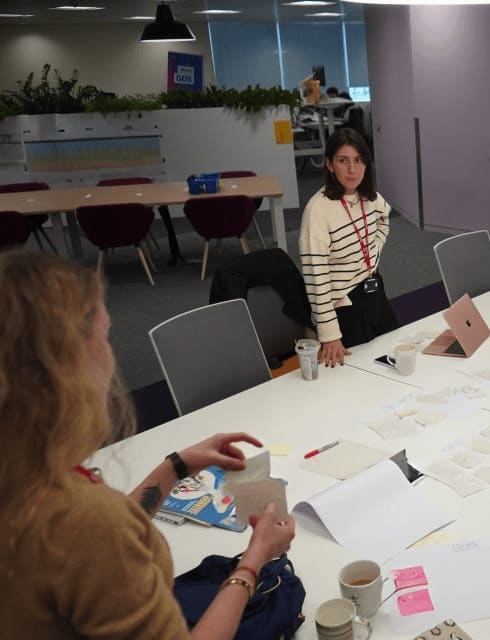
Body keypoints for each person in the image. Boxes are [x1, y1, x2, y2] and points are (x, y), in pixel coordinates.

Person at [0, 250, 296, 638]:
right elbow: (96, 532)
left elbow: (101, 537)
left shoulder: (25, 475)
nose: (112, 354)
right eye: (104, 336)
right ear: (64, 367)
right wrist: (254, 560)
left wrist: (175, 467)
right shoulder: (81, 520)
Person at [300, 127, 398, 367]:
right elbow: (316, 277)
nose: (352, 170)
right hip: (344, 306)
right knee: (358, 376)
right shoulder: (318, 210)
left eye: (358, 160)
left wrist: (372, 253)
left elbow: (384, 219)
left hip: (374, 292)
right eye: (343, 161)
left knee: (394, 358)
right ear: (330, 165)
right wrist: (329, 333)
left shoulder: (369, 197)